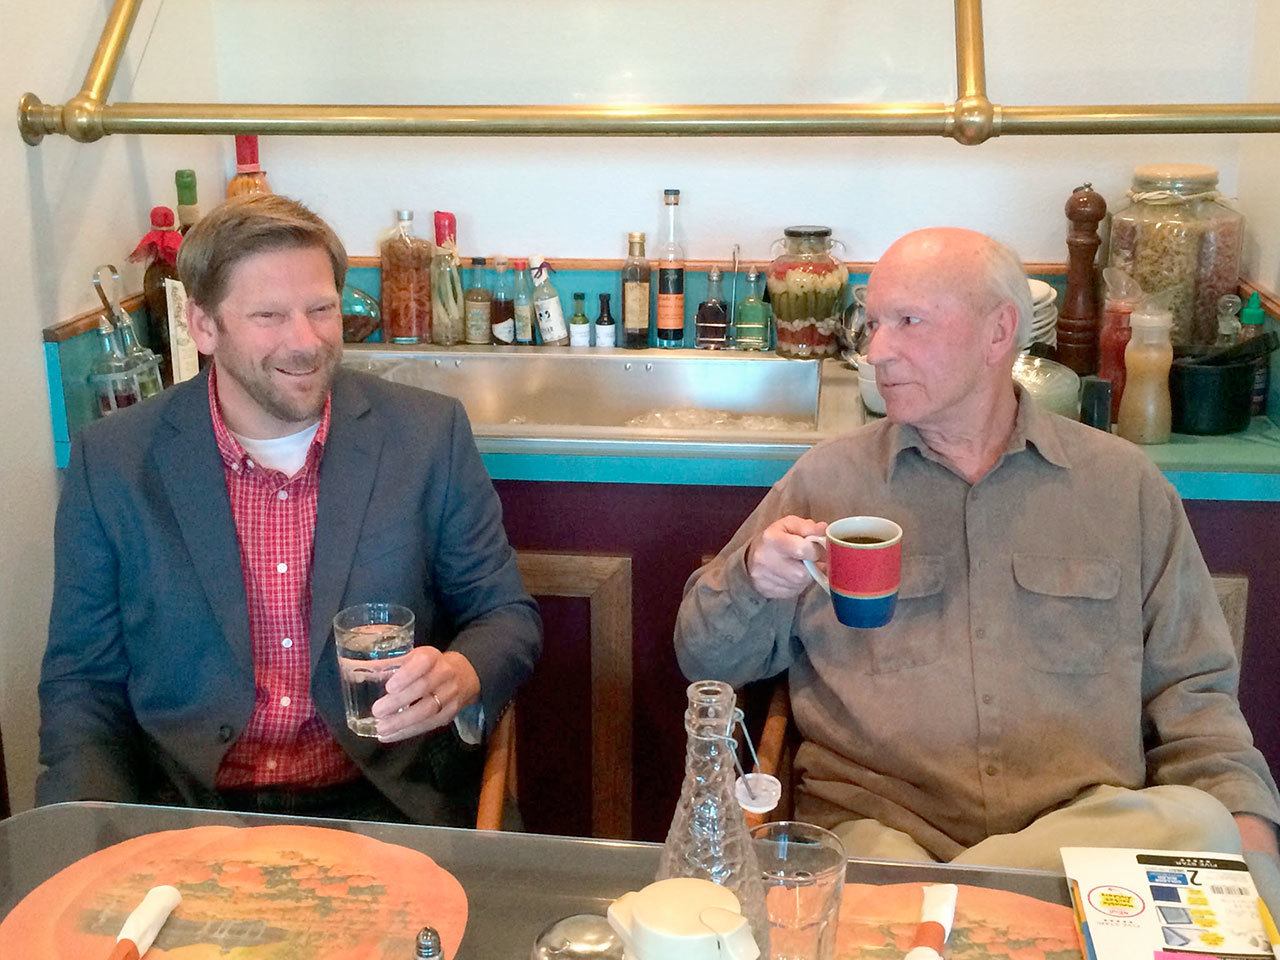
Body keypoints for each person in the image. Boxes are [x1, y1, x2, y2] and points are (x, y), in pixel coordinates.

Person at [675, 228, 1280, 879]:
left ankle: (959, 907)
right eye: (873, 323)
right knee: (864, 868)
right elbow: (704, 657)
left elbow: (1195, 694)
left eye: (909, 322)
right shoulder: (828, 481)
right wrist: (751, 579)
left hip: (1077, 836)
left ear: (999, 333)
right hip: (881, 835)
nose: (878, 350)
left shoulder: (1123, 487)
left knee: (1203, 822)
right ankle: (986, 909)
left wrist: (1253, 847)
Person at [38, 194, 541, 825]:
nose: (304, 342)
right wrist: (84, 846)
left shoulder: (424, 434)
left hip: (388, 805)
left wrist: (464, 674)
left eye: (322, 309)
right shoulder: (113, 462)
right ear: (203, 325)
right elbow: (82, 688)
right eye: (270, 315)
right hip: (194, 817)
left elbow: (505, 615)